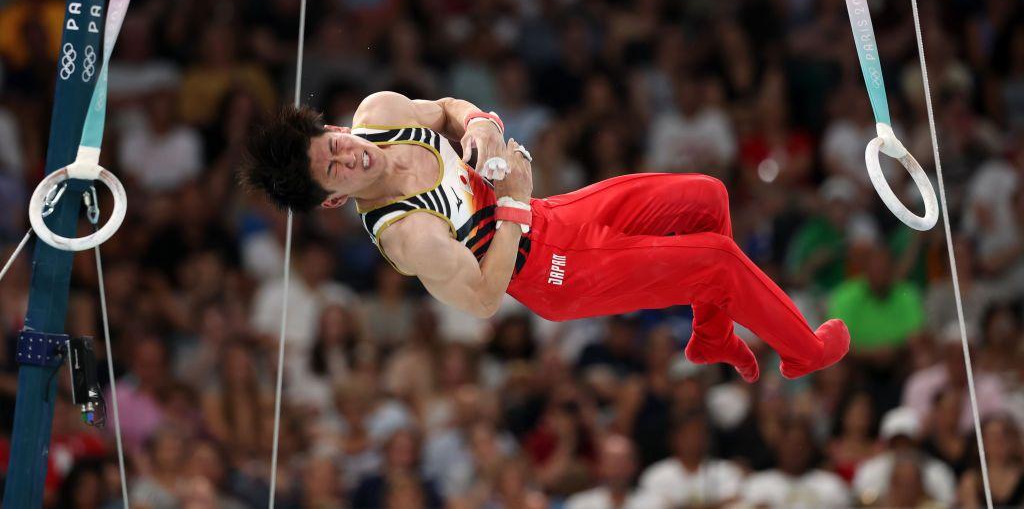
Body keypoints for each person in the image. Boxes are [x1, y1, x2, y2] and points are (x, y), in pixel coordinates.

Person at [242, 91, 850, 382]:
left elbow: (450, 108)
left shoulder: (378, 115)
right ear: (334, 198)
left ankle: (712, 331)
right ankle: (803, 352)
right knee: (716, 259)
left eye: (334, 144)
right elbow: (482, 300)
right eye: (334, 170)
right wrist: (509, 202)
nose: (349, 157)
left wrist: (480, 124)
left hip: (561, 213)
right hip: (555, 274)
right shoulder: (406, 234)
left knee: (708, 198)